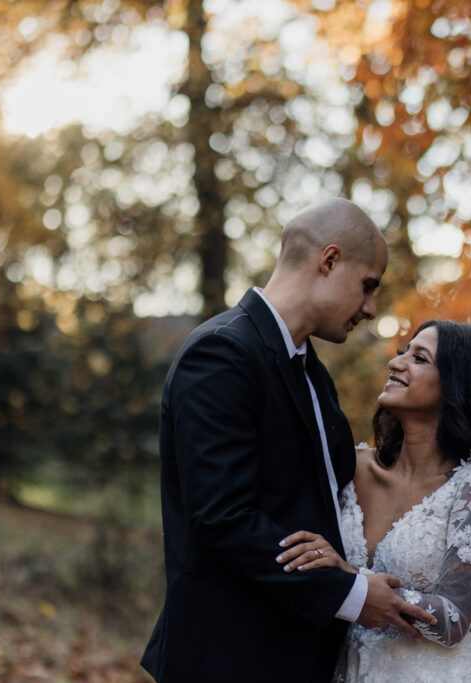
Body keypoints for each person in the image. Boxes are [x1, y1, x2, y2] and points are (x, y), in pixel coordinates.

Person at [140, 197, 436, 683]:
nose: (371, 308)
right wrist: (352, 595)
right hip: (229, 657)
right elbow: (223, 518)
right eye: (368, 286)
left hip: (300, 656)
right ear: (329, 260)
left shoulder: (312, 373)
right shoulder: (221, 354)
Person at [276, 320, 471, 682]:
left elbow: (455, 620)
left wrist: (350, 579)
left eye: (419, 358)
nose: (396, 362)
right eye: (402, 352)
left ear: (457, 386)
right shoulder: (351, 467)